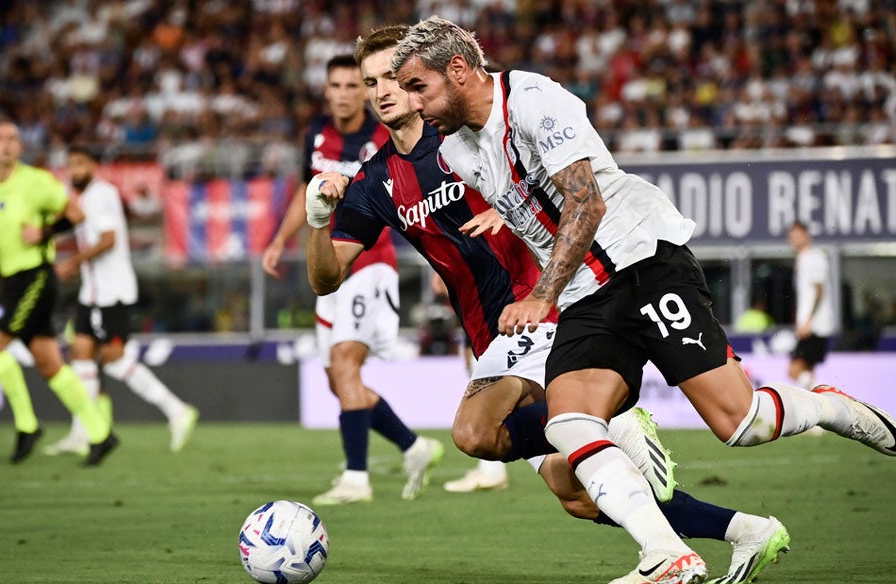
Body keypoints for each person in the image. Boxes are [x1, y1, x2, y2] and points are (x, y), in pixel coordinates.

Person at [391, 17, 896, 584]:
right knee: (569, 421)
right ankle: (666, 556)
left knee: (741, 423)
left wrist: (540, 294)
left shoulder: (535, 99)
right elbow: (534, 213)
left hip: (643, 263)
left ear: (458, 70)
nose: (413, 104)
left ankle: (827, 405)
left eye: (418, 88)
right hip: (586, 294)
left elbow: (587, 205)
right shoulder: (458, 150)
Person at [304, 26, 790, 584]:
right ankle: (745, 530)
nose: (384, 90)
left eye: (393, 76)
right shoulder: (373, 181)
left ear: (424, 79)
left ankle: (646, 503)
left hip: (545, 308)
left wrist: (510, 206)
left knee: (474, 431)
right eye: (372, 82)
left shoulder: (467, 132)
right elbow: (326, 278)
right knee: (576, 493)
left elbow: (566, 184)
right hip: (489, 333)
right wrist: (318, 221)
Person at [262, 55, 442, 505]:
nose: (343, 93)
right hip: (328, 264)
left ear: (364, 92)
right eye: (336, 85)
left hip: (370, 262)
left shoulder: (387, 132)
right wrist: (279, 240)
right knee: (337, 381)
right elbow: (305, 195)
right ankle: (414, 446)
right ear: (326, 90)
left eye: (351, 85)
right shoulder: (316, 136)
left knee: (345, 367)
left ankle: (356, 479)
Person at [42, 144, 199, 456]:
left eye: (80, 163)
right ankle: (83, 431)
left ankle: (176, 410)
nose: (74, 170)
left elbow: (109, 239)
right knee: (81, 352)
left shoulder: (101, 194)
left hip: (111, 292)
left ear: (93, 165)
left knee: (113, 359)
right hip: (92, 292)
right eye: (70, 164)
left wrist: (73, 262)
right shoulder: (85, 198)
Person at [0, 116, 117, 466]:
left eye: (12, 138)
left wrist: (45, 232)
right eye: (0, 138)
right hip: (11, 281)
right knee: (50, 364)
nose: (6, 143)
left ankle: (27, 424)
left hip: (35, 277)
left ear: (20, 147)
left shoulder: (36, 182)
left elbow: (75, 215)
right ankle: (100, 433)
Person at [786, 221, 835, 389]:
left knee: (794, 371)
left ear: (807, 236)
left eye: (797, 235)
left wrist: (808, 321)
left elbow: (819, 291)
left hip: (815, 326)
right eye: (791, 236)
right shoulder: (802, 258)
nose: (792, 239)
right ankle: (816, 402)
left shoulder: (814, 257)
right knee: (808, 370)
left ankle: (824, 394)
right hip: (810, 324)